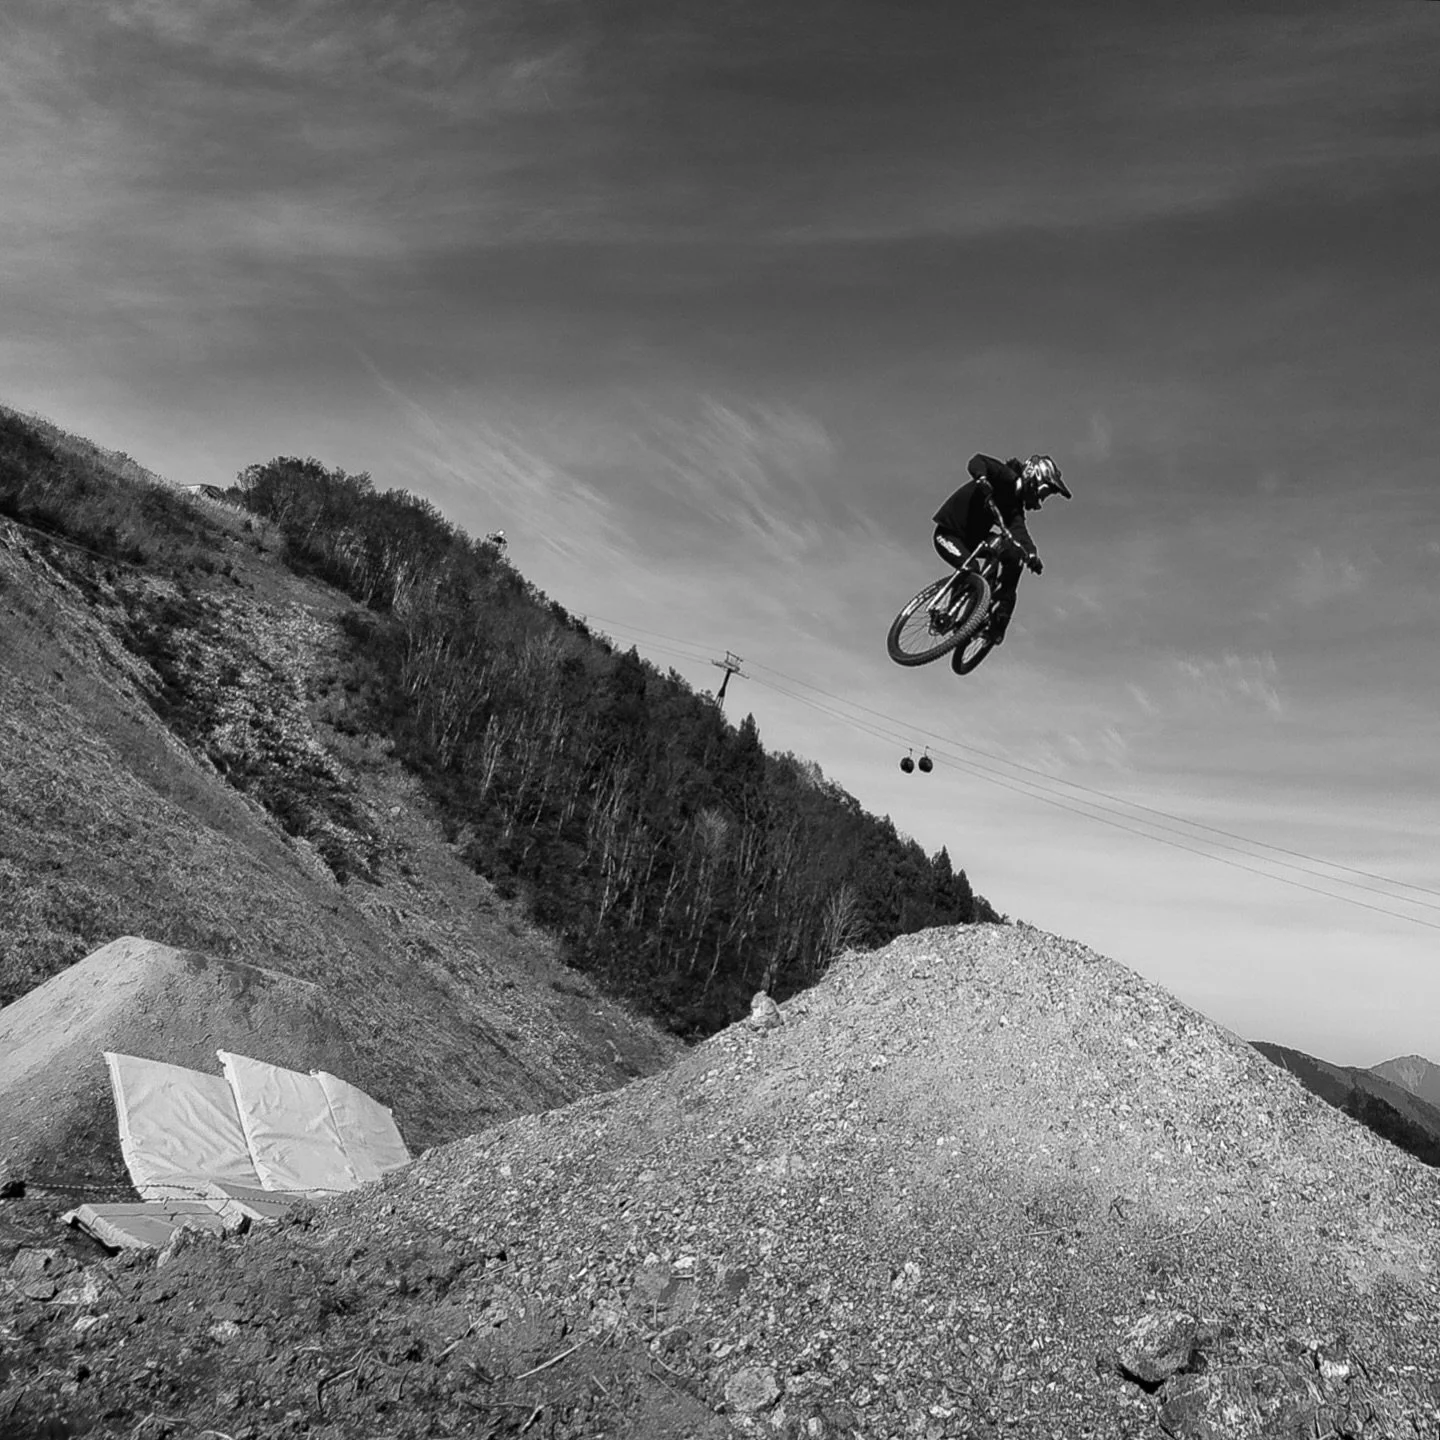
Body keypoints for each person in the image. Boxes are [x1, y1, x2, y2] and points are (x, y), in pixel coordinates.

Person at [932, 454, 1071, 652]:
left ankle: (996, 618)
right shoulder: (1004, 476)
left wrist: (1032, 555)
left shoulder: (1014, 507)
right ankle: (948, 610)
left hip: (972, 541)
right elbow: (977, 461)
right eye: (1045, 493)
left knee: (1012, 554)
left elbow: (1020, 533)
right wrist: (981, 479)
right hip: (948, 534)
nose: (1041, 499)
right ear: (1036, 478)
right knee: (972, 568)